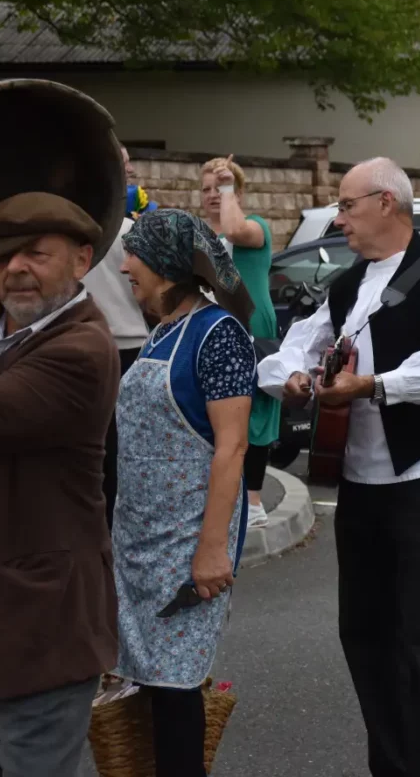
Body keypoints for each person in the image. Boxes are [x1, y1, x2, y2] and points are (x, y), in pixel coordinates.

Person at [258, 158, 420, 777]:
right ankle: (390, 765)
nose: (338, 219)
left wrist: (372, 386)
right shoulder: (349, 283)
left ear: (387, 202)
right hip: (359, 476)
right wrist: (288, 374)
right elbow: (295, 342)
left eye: (346, 205)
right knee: (363, 630)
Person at [0, 193, 120, 776]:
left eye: (34, 253)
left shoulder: (81, 347)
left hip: (44, 631)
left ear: (81, 261)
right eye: (1, 258)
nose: (15, 269)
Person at [113, 209, 255, 777]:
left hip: (188, 541)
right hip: (141, 537)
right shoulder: (162, 330)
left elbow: (232, 448)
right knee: (149, 686)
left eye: (134, 256)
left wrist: (212, 550)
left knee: (175, 691)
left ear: (167, 268)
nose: (125, 266)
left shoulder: (219, 335)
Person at [200, 156, 280, 528]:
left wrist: (229, 185)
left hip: (251, 323)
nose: (214, 195)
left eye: (222, 188)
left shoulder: (255, 227)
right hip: (212, 324)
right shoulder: (201, 235)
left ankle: (254, 502)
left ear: (239, 191)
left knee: (255, 409)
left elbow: (233, 231)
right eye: (207, 190)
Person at [84, 208, 149, 529]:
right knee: (123, 448)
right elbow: (149, 290)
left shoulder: (66, 231)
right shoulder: (126, 229)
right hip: (129, 344)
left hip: (87, 345)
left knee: (94, 446)